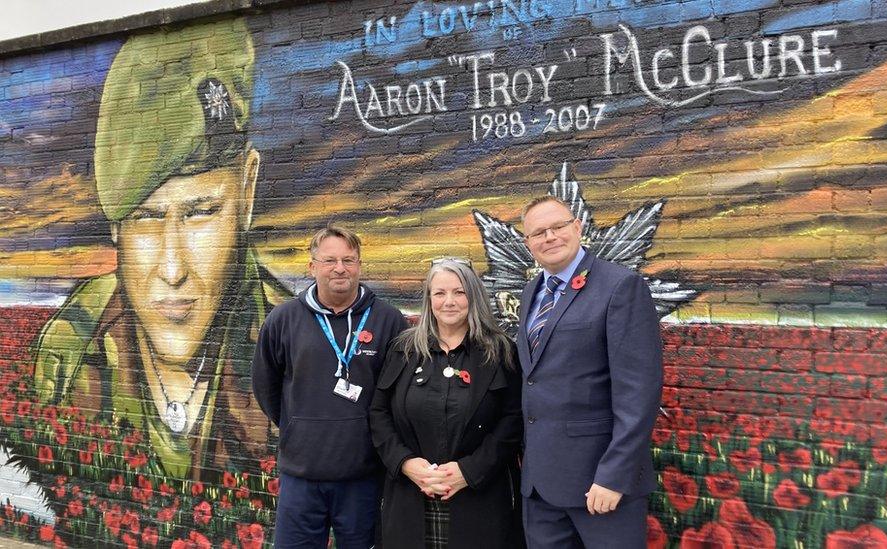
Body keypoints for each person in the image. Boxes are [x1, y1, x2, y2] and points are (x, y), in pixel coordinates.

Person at [31, 18, 291, 480]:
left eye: (201, 212)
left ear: (247, 192)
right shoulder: (70, 351)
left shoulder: (295, 346)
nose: (172, 270)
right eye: (146, 219)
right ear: (115, 227)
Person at [516, 196, 663, 549]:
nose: (549, 237)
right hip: (540, 487)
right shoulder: (530, 293)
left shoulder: (620, 287)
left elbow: (638, 392)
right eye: (538, 232)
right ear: (528, 243)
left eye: (558, 227)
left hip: (600, 486)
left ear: (577, 228)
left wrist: (614, 476)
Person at [252, 226, 409, 549]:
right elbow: (265, 384)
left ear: (360, 265)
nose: (340, 268)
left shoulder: (388, 320)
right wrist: (298, 426)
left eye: (348, 260)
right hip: (301, 476)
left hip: (364, 476)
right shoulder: (283, 319)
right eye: (330, 260)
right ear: (312, 267)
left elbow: (399, 394)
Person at [370, 258, 524, 549]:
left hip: (481, 497)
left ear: (474, 296)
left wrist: (469, 471)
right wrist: (406, 464)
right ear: (429, 300)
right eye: (439, 293)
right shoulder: (403, 350)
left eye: (459, 292)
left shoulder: (501, 351)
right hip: (410, 496)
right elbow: (378, 413)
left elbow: (513, 420)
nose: (449, 301)